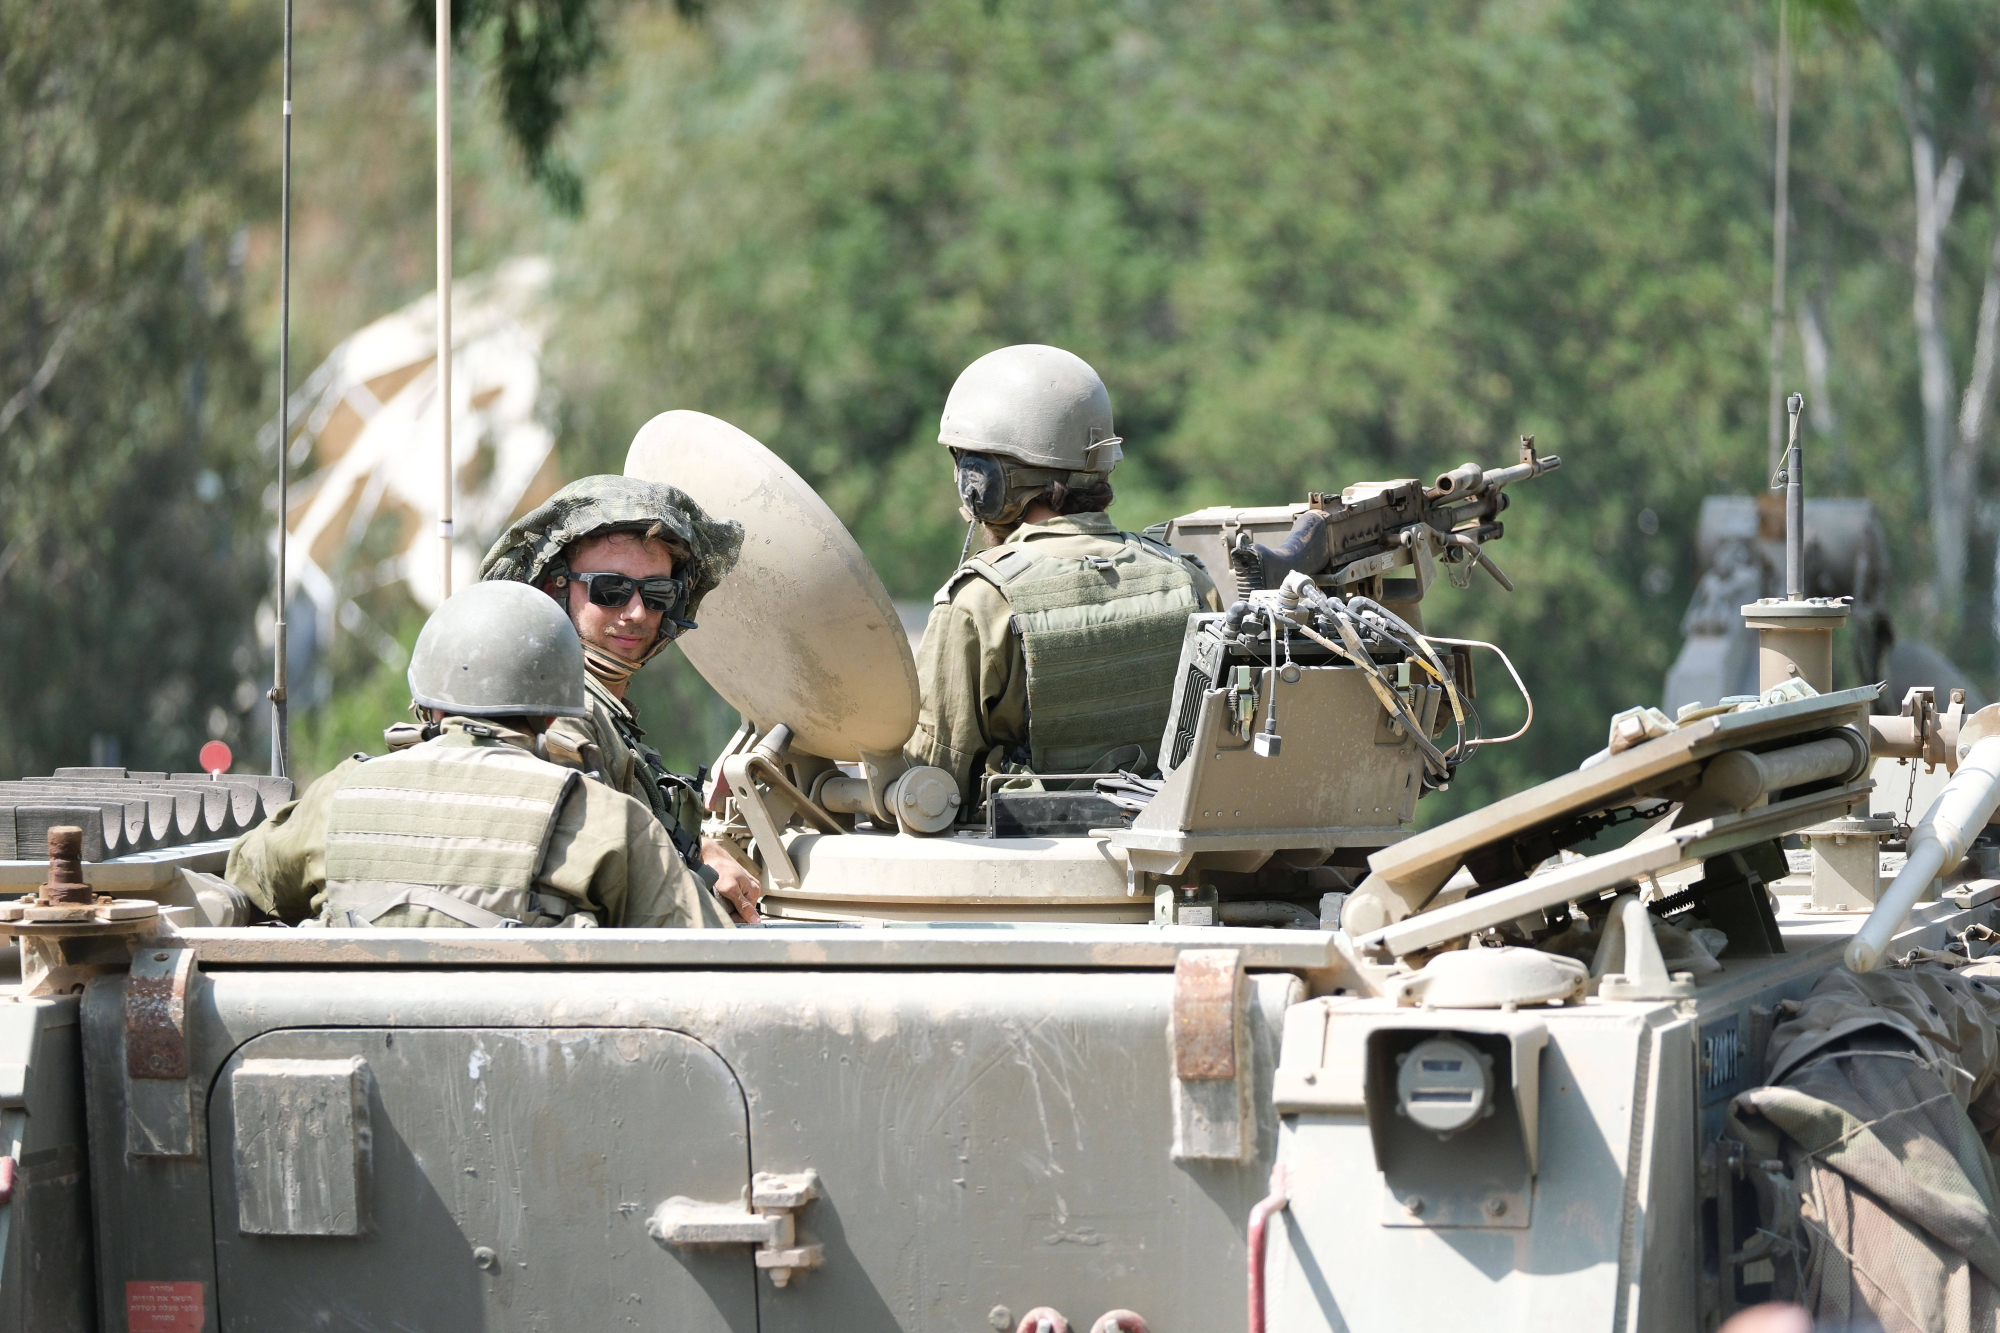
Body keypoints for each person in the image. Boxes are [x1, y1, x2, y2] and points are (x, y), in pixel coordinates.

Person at [227, 580, 732, 930]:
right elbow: (706, 952)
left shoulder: (339, 797)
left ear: (426, 703)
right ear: (553, 715)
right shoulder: (606, 822)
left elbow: (243, 883)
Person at [907, 344, 1222, 808]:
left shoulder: (979, 604)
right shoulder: (1188, 581)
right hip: (1159, 842)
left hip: (1025, 848)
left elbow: (929, 783)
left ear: (984, 481)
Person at [477, 475, 764, 922]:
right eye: (609, 589)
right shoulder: (553, 716)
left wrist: (697, 850)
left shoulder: (600, 714)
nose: (636, 612)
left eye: (657, 593)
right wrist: (696, 871)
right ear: (555, 587)